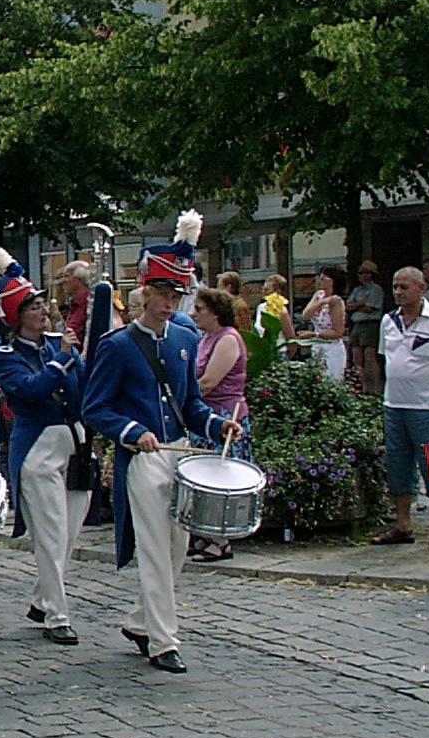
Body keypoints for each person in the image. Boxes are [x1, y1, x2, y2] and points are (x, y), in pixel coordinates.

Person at [82, 211, 241, 674]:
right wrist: (133, 433)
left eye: (177, 294)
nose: (170, 302)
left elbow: (190, 404)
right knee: (154, 547)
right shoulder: (117, 344)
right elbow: (95, 408)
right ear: (145, 292)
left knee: (177, 548)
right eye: (163, 294)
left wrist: (217, 427)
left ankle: (140, 620)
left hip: (180, 453)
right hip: (142, 459)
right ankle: (163, 641)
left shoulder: (185, 341)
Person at [0, 251, 88, 645]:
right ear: (16, 316)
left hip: (74, 443)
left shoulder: (57, 344)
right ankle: (58, 616)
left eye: (41, 304)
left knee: (69, 535)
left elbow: (81, 394)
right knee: (49, 534)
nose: (43, 311)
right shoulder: (7, 357)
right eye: (32, 306)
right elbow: (29, 392)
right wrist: (63, 362)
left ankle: (42, 598)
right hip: (37, 450)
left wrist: (76, 360)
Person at [370, 267, 429, 553]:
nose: (399, 292)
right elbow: (385, 358)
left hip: (428, 408)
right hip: (395, 405)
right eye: (395, 286)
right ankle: (403, 524)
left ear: (421, 288)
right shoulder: (389, 322)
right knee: (398, 465)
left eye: (404, 287)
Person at [187, 287, 250, 561]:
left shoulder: (228, 339)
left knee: (218, 477)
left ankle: (221, 540)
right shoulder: (205, 338)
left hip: (224, 416)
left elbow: (210, 382)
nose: (193, 314)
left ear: (215, 312)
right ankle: (205, 534)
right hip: (204, 416)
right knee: (202, 477)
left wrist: (181, 401)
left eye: (199, 309)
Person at [301, 265, 348, 380]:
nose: (320, 281)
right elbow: (305, 315)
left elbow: (338, 332)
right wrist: (320, 303)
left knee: (331, 380)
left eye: (323, 279)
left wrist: (314, 335)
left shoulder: (336, 301)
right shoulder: (319, 295)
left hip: (331, 349)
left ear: (333, 281)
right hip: (317, 347)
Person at [345, 261, 385, 393]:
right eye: (361, 273)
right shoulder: (357, 290)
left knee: (370, 357)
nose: (363, 275)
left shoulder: (376, 289)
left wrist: (357, 306)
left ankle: (376, 388)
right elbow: (347, 307)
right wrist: (360, 304)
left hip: (370, 324)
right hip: (356, 324)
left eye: (367, 272)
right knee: (356, 357)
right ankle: (362, 388)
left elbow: (369, 308)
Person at [254, 274, 298, 348]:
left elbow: (290, 337)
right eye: (263, 289)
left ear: (277, 291)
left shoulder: (282, 311)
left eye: (266, 289)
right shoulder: (260, 307)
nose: (263, 292)